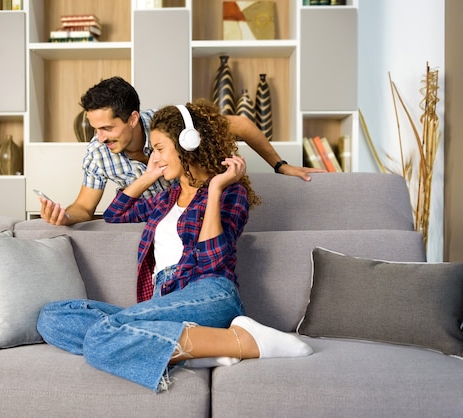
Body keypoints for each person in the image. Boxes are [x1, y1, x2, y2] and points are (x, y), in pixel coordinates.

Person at [36, 100, 312, 392]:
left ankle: (241, 340)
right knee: (52, 318)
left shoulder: (231, 192)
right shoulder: (166, 198)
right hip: (163, 299)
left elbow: (211, 262)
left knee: (102, 335)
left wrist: (216, 189)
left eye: (159, 148)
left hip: (210, 293)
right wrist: (150, 175)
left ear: (187, 145)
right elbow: (116, 214)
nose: (153, 156)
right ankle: (197, 350)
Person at [39, 76, 324, 225]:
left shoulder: (172, 126)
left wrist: (280, 165)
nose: (99, 138)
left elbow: (243, 126)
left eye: (107, 129)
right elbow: (85, 208)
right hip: (155, 215)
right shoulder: (97, 154)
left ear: (134, 119)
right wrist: (65, 217)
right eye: (94, 128)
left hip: (195, 211)